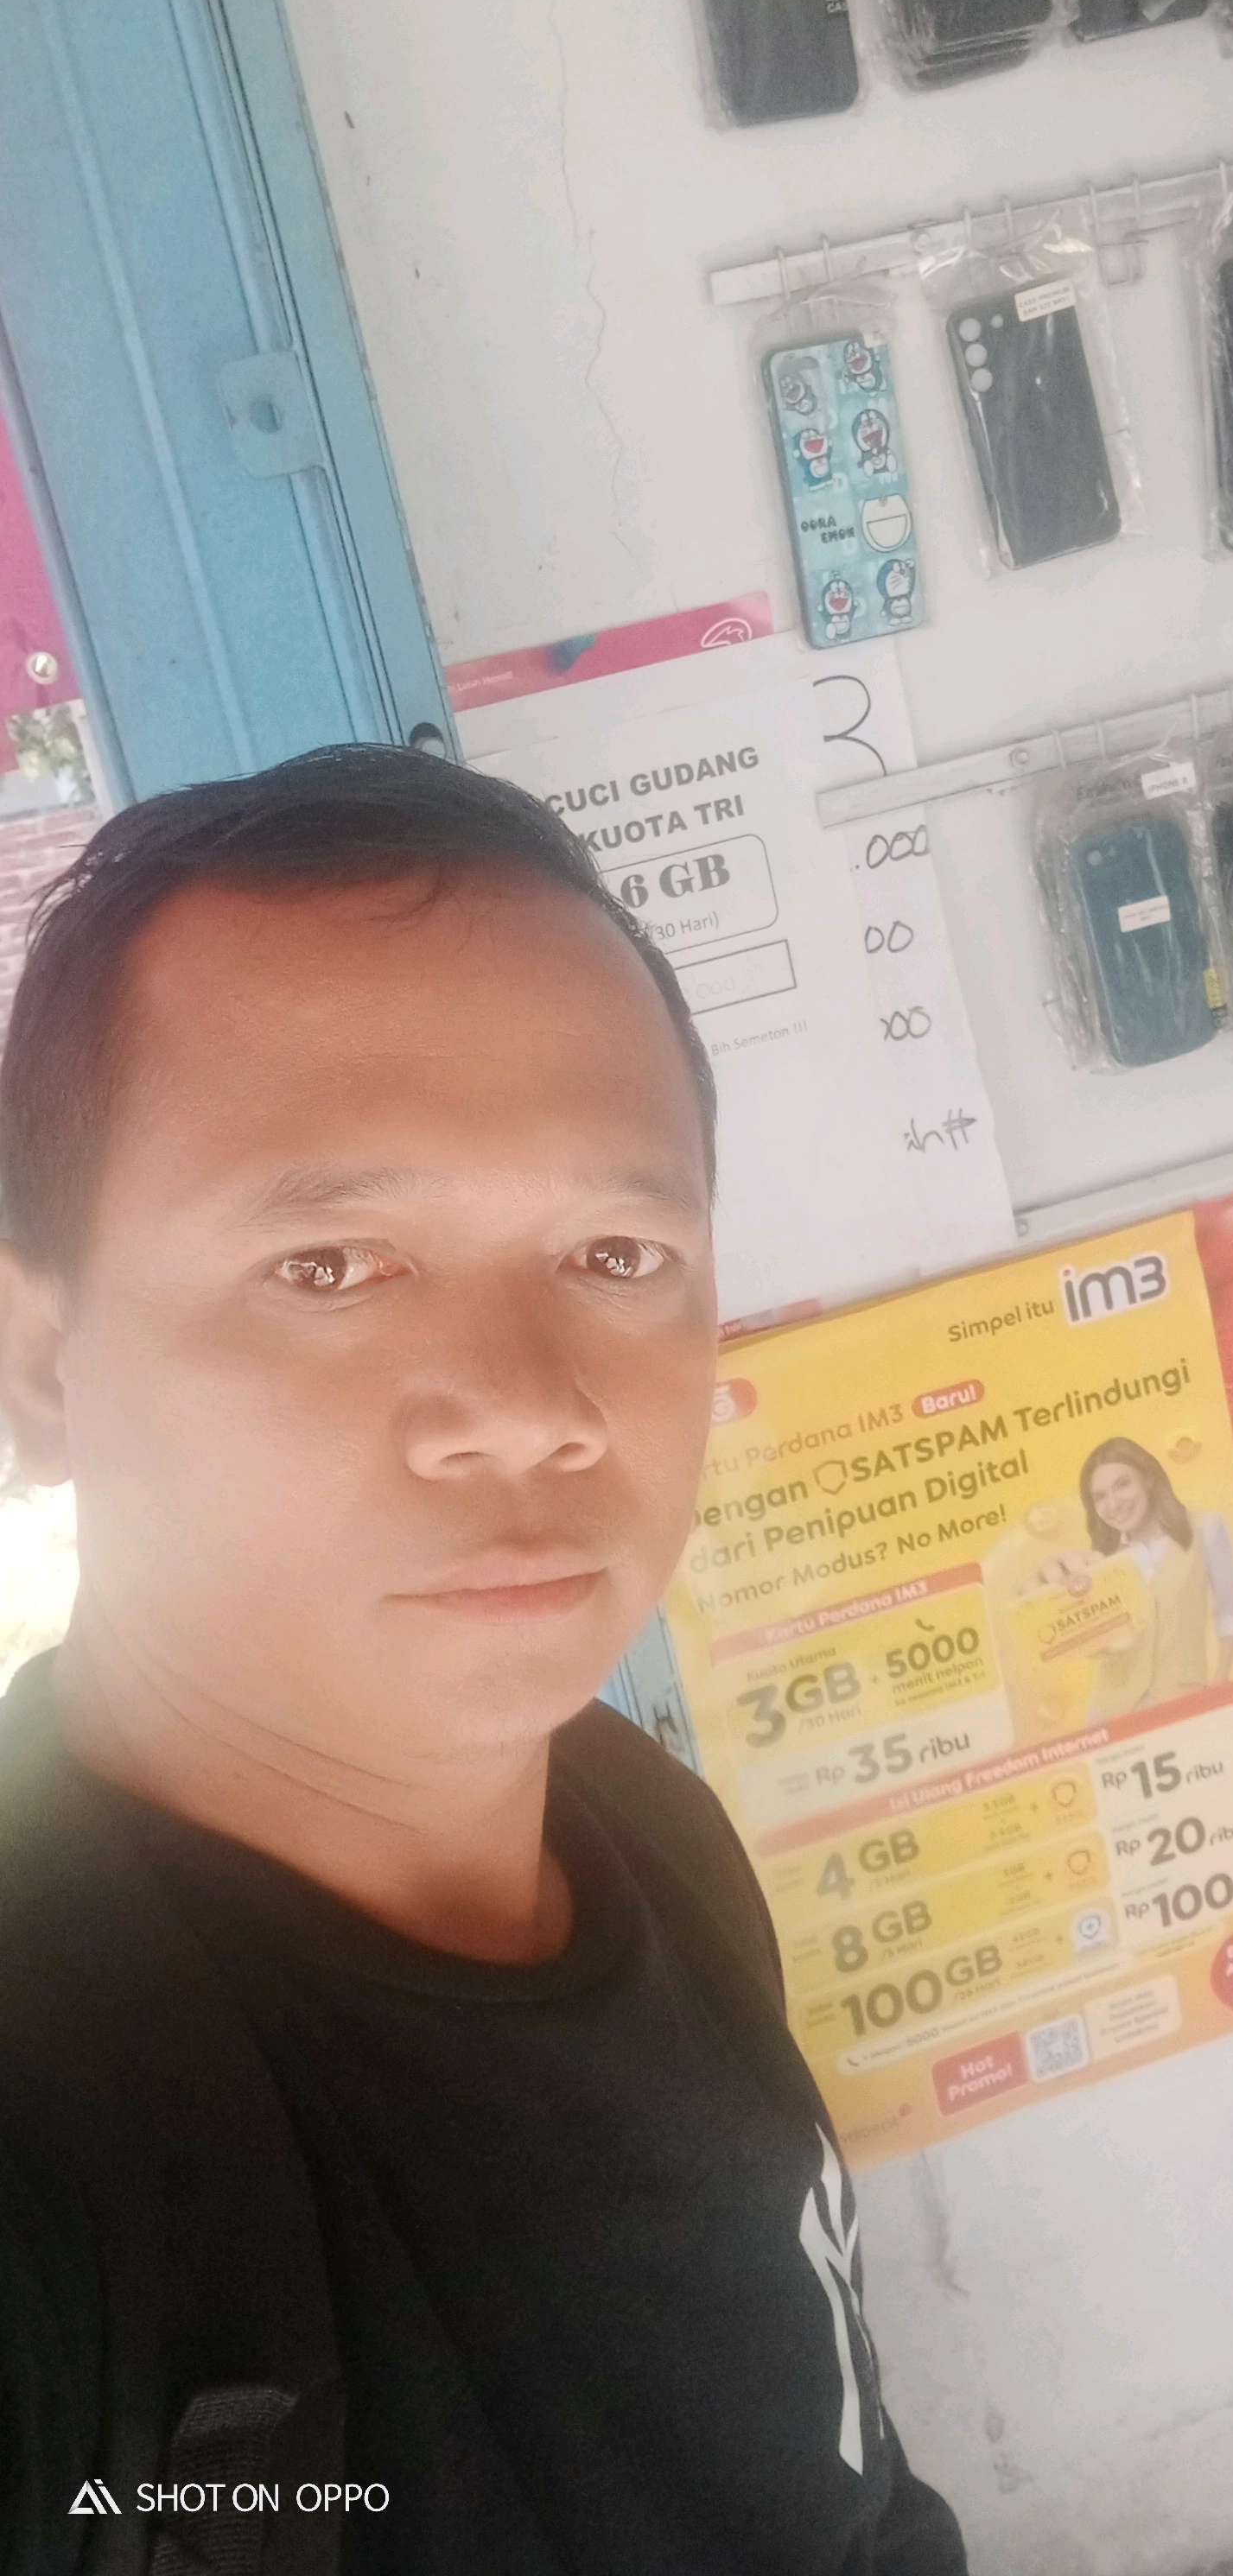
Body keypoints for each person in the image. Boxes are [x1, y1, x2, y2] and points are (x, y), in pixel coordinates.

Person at [0, 745, 965, 2575]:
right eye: (331, 1265)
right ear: (44, 1362)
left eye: (616, 1248)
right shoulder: (51, 2162)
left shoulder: (646, 1830)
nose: (528, 1406)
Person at [1074, 1436, 1233, 1723]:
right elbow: (1096, 1644)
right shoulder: (1101, 1560)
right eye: (1100, 1496)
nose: (1113, 1504)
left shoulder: (1206, 1529)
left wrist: (1221, 1676)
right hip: (1109, 1711)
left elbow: (1230, 1609)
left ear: (1148, 1479)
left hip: (1183, 1699)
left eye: (1122, 1484)